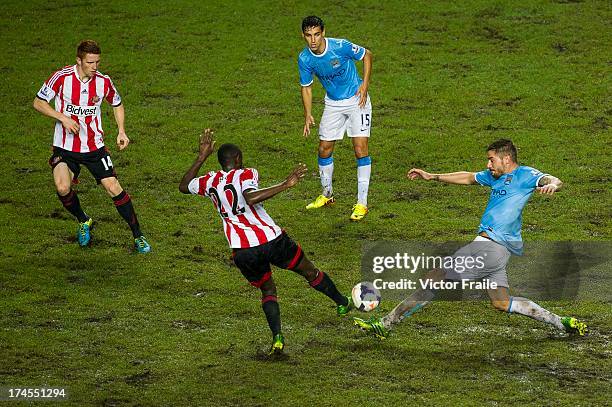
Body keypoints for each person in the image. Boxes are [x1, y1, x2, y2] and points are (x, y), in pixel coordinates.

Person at [354, 139, 587, 338]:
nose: (488, 164)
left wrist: (553, 186)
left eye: (491, 160)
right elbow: (468, 177)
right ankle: (561, 321)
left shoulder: (524, 174)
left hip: (487, 249)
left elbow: (551, 179)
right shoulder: (494, 177)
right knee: (501, 302)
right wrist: (432, 176)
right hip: (497, 253)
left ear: (506, 159)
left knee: (434, 279)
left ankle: (385, 324)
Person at [179, 129, 352, 355]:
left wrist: (201, 157)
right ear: (238, 159)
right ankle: (341, 302)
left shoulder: (210, 181)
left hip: (242, 251)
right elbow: (250, 197)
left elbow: (184, 186)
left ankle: (277, 338)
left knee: (268, 289)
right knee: (309, 271)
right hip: (271, 240)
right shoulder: (247, 173)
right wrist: (285, 184)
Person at [33, 40, 150, 253]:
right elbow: (38, 102)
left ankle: (138, 235)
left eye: (97, 62)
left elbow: (117, 103)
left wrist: (121, 130)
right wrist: (63, 118)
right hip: (65, 148)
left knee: (113, 187)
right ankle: (83, 220)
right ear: (78, 60)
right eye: (90, 62)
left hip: (94, 147)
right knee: (62, 187)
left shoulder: (103, 82)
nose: (95, 66)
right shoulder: (61, 78)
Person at [298, 15, 373, 221]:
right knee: (324, 148)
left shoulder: (340, 46)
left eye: (316, 34)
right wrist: (307, 114)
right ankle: (327, 194)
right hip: (332, 103)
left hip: (357, 100)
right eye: (308, 36)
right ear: (303, 36)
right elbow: (306, 87)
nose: (313, 40)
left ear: (323, 32)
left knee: (360, 149)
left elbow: (367, 55)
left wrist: (364, 85)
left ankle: (362, 204)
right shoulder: (305, 58)